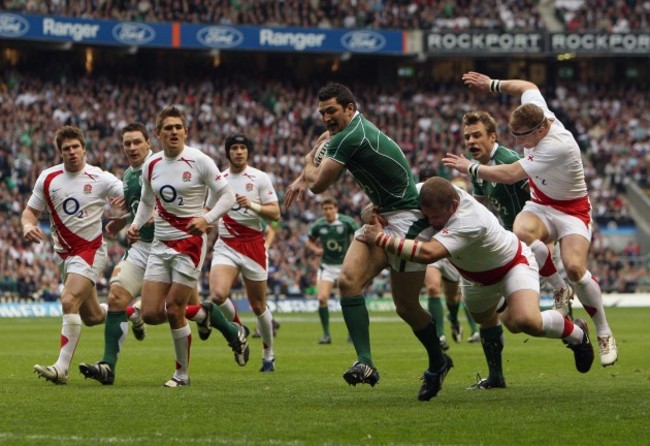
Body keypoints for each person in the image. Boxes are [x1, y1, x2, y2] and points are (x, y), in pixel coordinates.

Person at [285, 82, 450, 401]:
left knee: (406, 306)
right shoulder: (346, 131)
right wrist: (304, 171)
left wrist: (305, 170)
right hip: (380, 212)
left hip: (405, 219)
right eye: (321, 113)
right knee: (347, 282)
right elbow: (321, 144)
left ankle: (438, 361)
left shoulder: (351, 136)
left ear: (350, 107)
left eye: (331, 111)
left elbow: (318, 185)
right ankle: (365, 362)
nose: (325, 118)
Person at [443, 72, 618, 367]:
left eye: (522, 137)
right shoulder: (538, 112)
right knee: (521, 232)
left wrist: (470, 168)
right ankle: (559, 288)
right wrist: (492, 85)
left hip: (573, 209)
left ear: (540, 131)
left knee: (576, 267)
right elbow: (528, 86)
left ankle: (603, 331)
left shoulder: (557, 145)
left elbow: (511, 173)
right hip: (541, 204)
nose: (518, 142)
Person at [357, 177, 595, 385]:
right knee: (496, 320)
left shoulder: (470, 219)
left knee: (526, 321)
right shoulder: (429, 194)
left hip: (512, 265)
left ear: (453, 205)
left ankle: (577, 333)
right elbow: (387, 205)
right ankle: (496, 377)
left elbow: (429, 253)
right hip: (474, 278)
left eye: (436, 217)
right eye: (427, 215)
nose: (432, 223)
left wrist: (381, 239)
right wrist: (370, 212)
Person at [127, 106, 246, 387]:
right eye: (168, 128)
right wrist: (135, 224)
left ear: (186, 131)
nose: (174, 132)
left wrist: (207, 219)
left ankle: (181, 375)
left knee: (174, 308)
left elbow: (227, 196)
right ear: (158, 133)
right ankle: (213, 317)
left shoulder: (199, 161)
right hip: (160, 243)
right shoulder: (152, 165)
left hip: (190, 244)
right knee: (152, 313)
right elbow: (146, 202)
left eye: (178, 127)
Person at [23, 125, 123, 385]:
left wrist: (124, 207)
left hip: (90, 249)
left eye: (75, 147)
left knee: (68, 300)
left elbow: (131, 196)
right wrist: (27, 225)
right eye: (66, 148)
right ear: (60, 153)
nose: (71, 152)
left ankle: (61, 368)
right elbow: (30, 212)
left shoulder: (100, 178)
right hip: (64, 256)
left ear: (84, 149)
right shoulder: (47, 178)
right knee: (91, 317)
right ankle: (129, 313)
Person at [202, 134, 281, 372]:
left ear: (248, 152)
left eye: (242, 148)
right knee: (217, 294)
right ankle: (238, 328)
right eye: (234, 148)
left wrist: (253, 205)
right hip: (226, 244)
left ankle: (268, 353)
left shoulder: (259, 178)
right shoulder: (219, 180)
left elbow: (275, 213)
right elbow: (207, 210)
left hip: (254, 246)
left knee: (258, 305)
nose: (239, 152)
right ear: (228, 153)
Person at [305, 196, 358, 344]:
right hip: (327, 266)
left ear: (336, 209)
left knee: (348, 300)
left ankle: (352, 333)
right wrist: (315, 249)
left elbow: (359, 237)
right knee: (322, 298)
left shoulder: (347, 222)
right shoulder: (319, 225)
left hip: (344, 266)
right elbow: (308, 242)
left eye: (330, 208)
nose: (328, 212)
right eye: (325, 209)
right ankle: (326, 335)